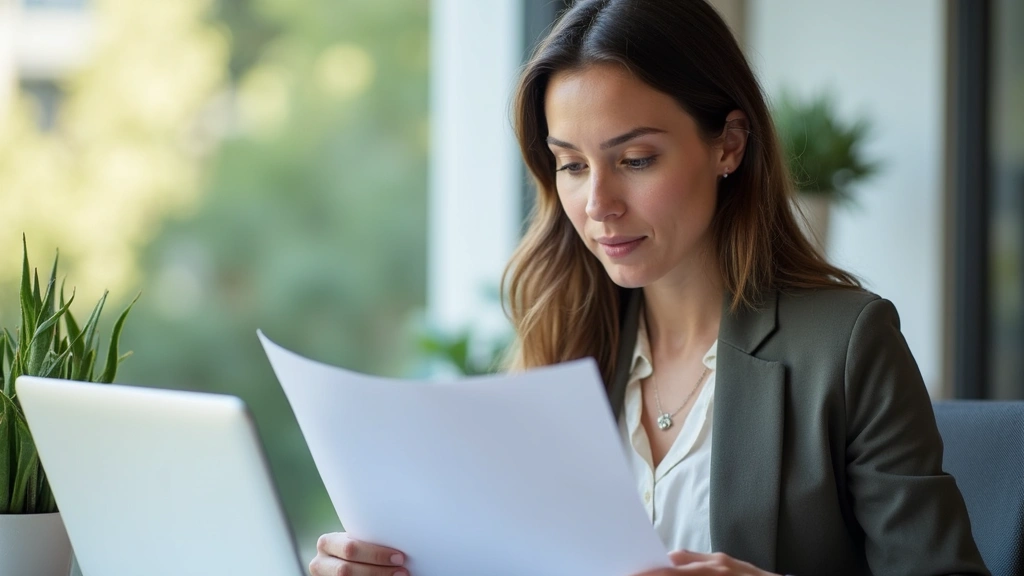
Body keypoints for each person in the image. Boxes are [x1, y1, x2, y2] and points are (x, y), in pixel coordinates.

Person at [309, 0, 989, 574]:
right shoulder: (562, 340)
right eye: (571, 165)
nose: (598, 202)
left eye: (635, 159)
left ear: (728, 144)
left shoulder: (844, 346)